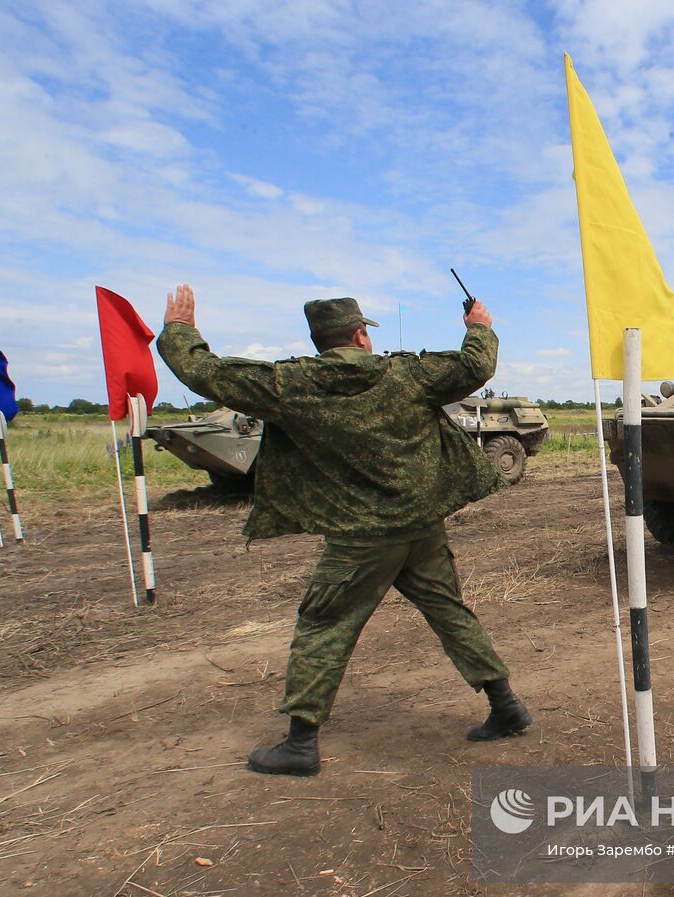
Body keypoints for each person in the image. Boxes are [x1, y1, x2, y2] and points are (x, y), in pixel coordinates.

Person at [156, 286, 532, 777]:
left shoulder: (290, 384)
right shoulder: (407, 375)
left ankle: (300, 744)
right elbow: (475, 367)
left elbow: (207, 374)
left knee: (323, 626)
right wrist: (479, 326)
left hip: (360, 539)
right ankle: (505, 706)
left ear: (321, 342)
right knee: (450, 613)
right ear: (361, 335)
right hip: (420, 527)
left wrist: (181, 331)